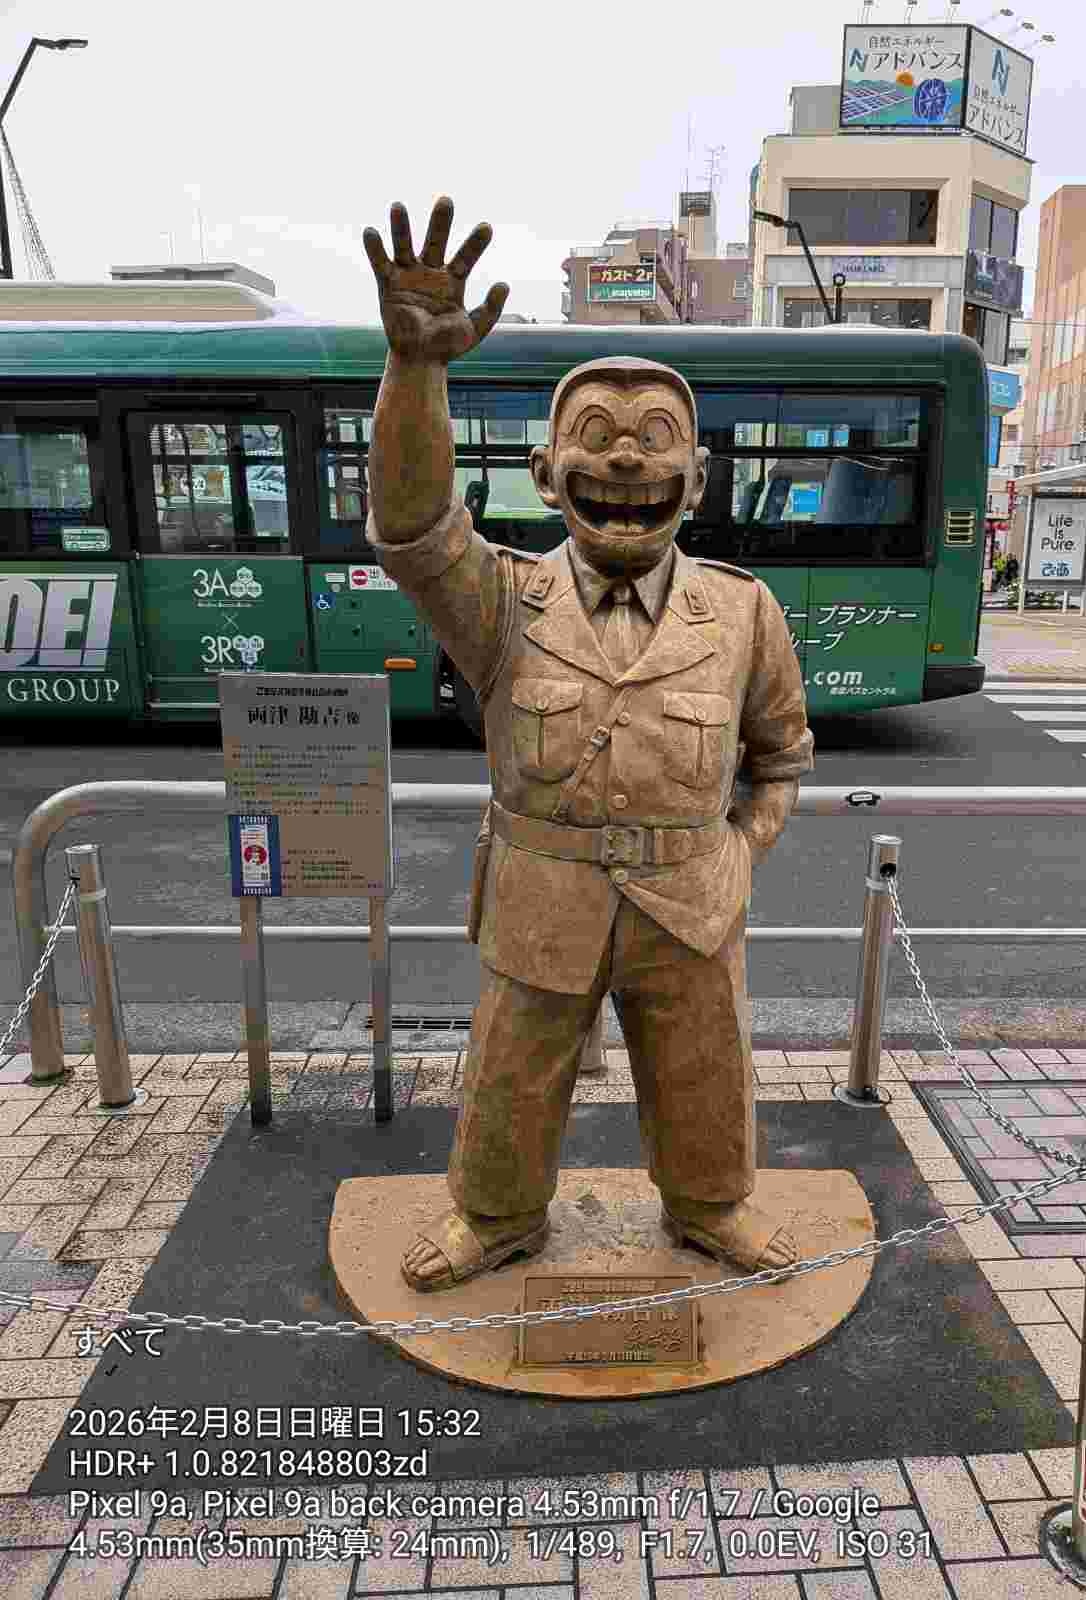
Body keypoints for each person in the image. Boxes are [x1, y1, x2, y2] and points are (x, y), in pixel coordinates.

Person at [361, 198, 814, 1292]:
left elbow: (781, 759)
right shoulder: (501, 602)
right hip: (542, 894)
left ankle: (711, 1206)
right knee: (513, 1075)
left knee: (704, 1069)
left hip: (689, 898)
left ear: (695, 479)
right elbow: (414, 531)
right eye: (596, 436)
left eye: (655, 440)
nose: (624, 459)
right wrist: (416, 371)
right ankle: (497, 1217)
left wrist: (738, 852)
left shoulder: (742, 611)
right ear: (544, 470)